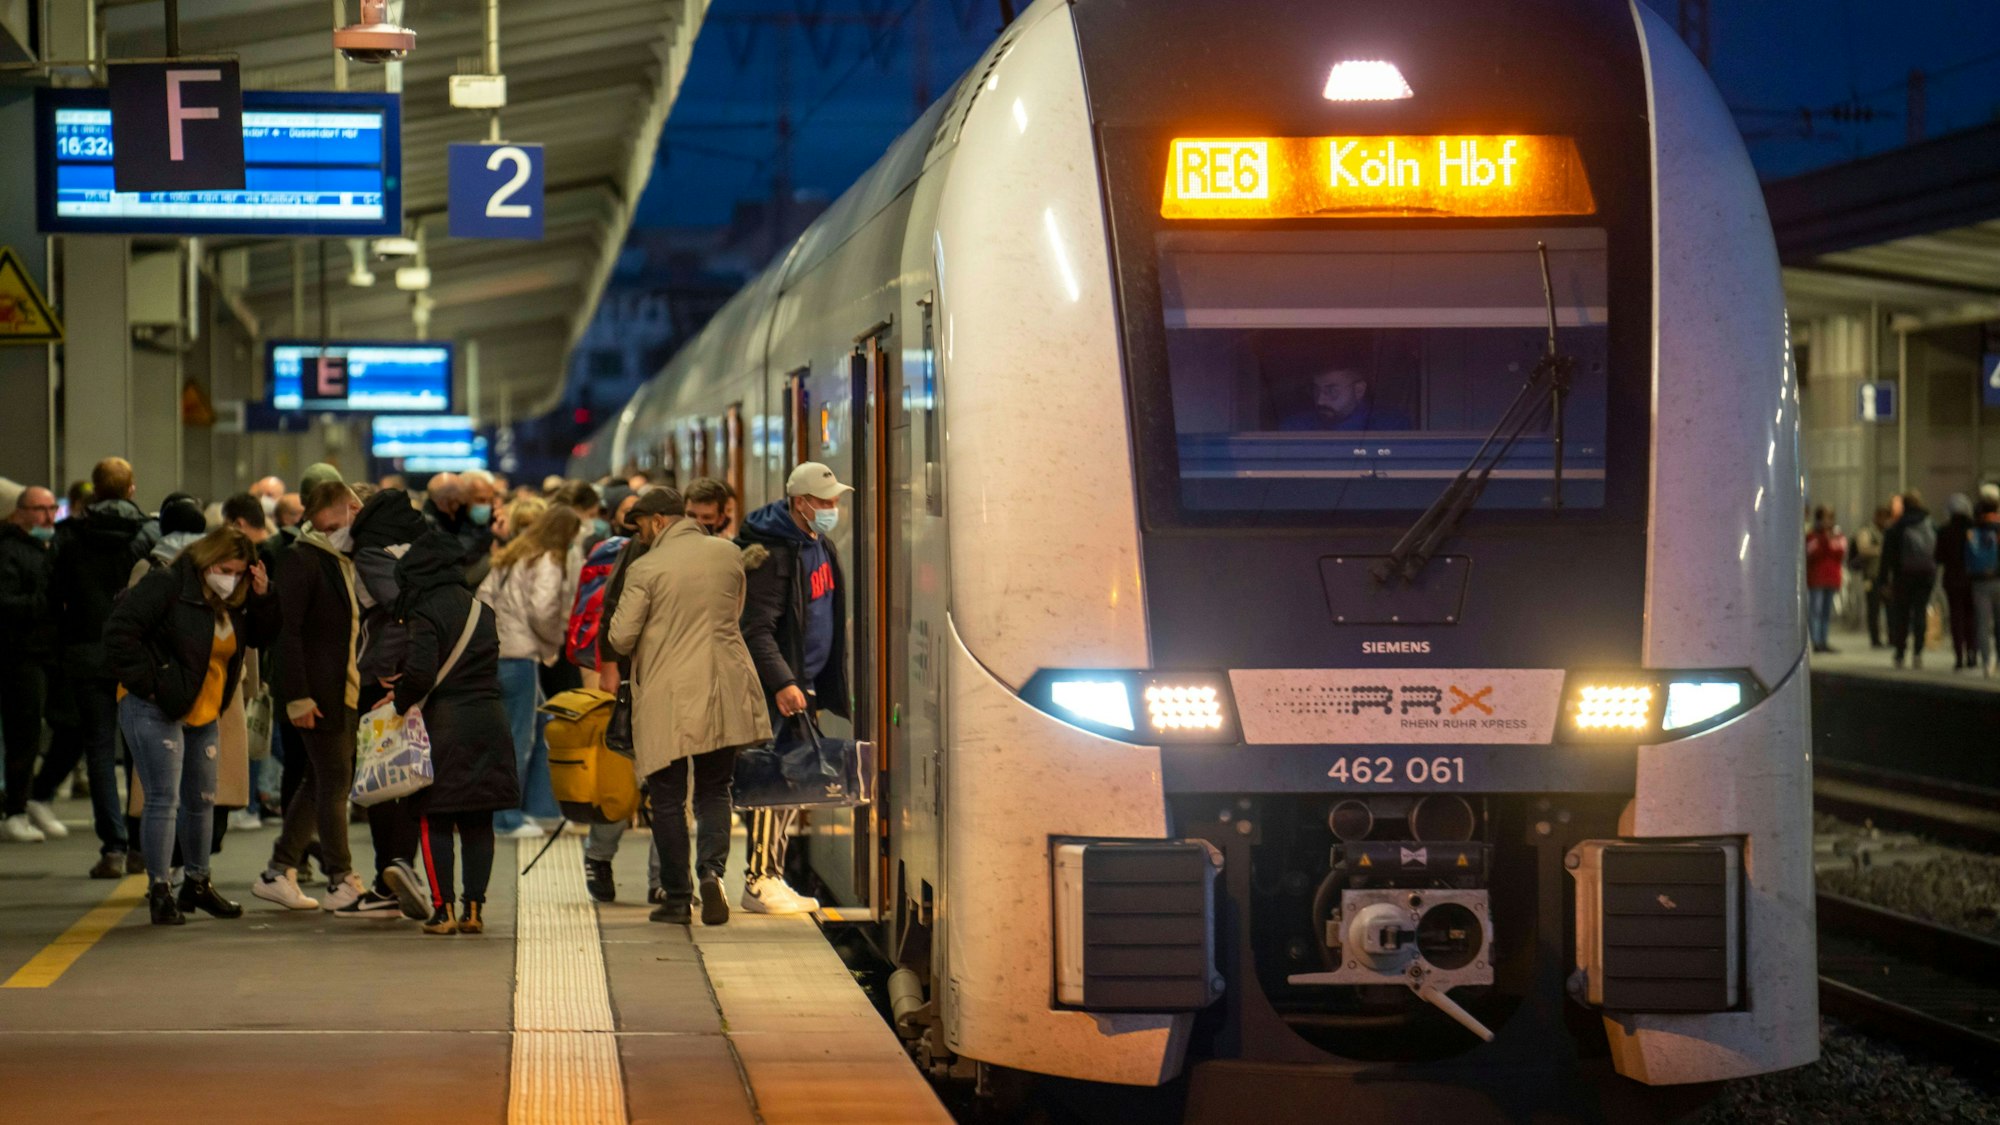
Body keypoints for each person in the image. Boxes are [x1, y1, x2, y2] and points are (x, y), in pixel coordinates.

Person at [606, 486, 771, 926]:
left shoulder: (646, 568)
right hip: (725, 685)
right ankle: (713, 875)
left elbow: (620, 637)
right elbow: (733, 615)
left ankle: (678, 897)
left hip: (669, 693)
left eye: (641, 525)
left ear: (659, 521)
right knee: (716, 789)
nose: (639, 535)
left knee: (667, 798)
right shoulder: (727, 555)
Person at [105, 527, 278, 924]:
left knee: (202, 799)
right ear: (205, 560)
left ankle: (197, 883)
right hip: (154, 706)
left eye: (238, 572)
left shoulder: (234, 598)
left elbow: (265, 636)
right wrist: (152, 685)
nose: (229, 578)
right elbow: (119, 633)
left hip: (204, 708)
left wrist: (264, 594)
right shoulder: (166, 584)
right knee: (164, 799)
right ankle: (160, 889)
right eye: (223, 568)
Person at [736, 463, 855, 915]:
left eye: (835, 501)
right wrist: (783, 682)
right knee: (777, 777)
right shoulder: (772, 554)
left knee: (790, 779)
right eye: (824, 502)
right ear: (800, 503)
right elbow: (757, 628)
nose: (832, 509)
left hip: (804, 685)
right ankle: (759, 879)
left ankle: (772, 874)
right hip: (783, 687)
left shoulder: (816, 543)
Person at [387, 531, 519, 935]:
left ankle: (443, 910)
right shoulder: (483, 610)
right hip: (489, 720)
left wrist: (398, 699)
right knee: (479, 818)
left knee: (436, 816)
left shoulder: (426, 611)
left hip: (444, 724)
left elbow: (423, 673)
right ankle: (474, 910)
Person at [255, 480, 365, 912]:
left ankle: (278, 869)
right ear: (332, 513)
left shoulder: (343, 559)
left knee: (319, 780)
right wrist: (297, 697)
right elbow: (288, 634)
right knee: (334, 781)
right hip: (320, 693)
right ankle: (342, 879)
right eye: (349, 514)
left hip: (345, 688)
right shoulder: (302, 559)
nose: (354, 522)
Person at [51, 458, 146, 876]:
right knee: (141, 751)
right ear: (130, 489)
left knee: (100, 751)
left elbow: (52, 595)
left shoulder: (70, 537)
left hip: (87, 654)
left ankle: (112, 847)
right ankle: (143, 844)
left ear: (93, 490)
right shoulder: (144, 535)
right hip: (135, 657)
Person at [346, 488, 437, 919]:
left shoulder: (371, 553)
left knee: (381, 775)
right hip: (427, 672)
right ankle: (407, 867)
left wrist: (388, 670)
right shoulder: (429, 544)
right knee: (416, 770)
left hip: (386, 679)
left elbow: (399, 610)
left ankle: (391, 874)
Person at [477, 504, 579, 839]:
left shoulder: (512, 555)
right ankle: (506, 817)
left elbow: (484, 598)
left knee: (537, 726)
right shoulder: (547, 559)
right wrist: (553, 643)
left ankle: (540, 808)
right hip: (521, 657)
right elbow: (543, 608)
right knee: (519, 739)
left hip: (500, 653)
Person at [580, 489, 660, 904]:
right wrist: (609, 669)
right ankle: (598, 855)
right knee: (622, 782)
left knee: (668, 787)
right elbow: (611, 610)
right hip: (631, 682)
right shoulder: (630, 553)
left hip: (672, 684)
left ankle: (664, 881)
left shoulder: (695, 553)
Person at [1, 486, 64, 843]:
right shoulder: (9, 550)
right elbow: (6, 603)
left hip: (44, 653)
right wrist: (46, 603)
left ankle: (34, 799)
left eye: (52, 508)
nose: (48, 516)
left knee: (52, 729)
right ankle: (15, 810)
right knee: (22, 735)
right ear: (18, 512)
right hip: (18, 655)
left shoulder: (46, 548)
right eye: (39, 509)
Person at [1880, 490, 1937, 670]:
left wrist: (1883, 580)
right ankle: (1918, 653)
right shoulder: (1930, 524)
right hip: (1925, 576)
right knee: (1920, 613)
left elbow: (1886, 556)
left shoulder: (1896, 527)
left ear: (1904, 505)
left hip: (1902, 576)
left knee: (1902, 615)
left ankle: (1900, 653)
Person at [1278, 366, 1414, 432]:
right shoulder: (1296, 427)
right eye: (1316, 390)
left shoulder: (1390, 426)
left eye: (1331, 391)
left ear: (1359, 390)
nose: (1320, 400)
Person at [423, 469, 498, 580]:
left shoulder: (488, 523)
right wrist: (489, 537)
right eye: (480, 500)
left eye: (490, 501)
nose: (487, 506)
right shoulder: (434, 523)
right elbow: (457, 556)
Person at [1936, 494, 1977, 671]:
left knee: (1956, 617)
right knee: (1971, 616)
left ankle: (1959, 655)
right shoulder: (1974, 528)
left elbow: (1938, 557)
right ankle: (1972, 653)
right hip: (1973, 578)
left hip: (1952, 579)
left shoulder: (1945, 530)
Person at [1805, 507, 1846, 654]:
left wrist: (1829, 541)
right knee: (1815, 611)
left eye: (1830, 518)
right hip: (1817, 579)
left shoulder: (1837, 535)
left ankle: (1823, 640)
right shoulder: (1812, 536)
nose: (1828, 521)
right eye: (1825, 518)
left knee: (1826, 613)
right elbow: (1812, 553)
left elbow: (1840, 552)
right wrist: (1824, 540)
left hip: (1832, 578)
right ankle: (1816, 641)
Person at [1850, 505, 1892, 647]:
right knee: (1873, 609)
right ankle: (1875, 639)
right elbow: (1863, 549)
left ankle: (1892, 638)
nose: (1885, 521)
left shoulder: (1888, 532)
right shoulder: (1867, 531)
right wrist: (1880, 550)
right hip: (1871, 576)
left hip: (1886, 576)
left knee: (1890, 607)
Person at [1969, 495, 2000, 678]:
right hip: (1998, 579)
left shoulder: (1974, 529)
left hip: (1979, 581)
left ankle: (1986, 662)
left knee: (1982, 623)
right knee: (1999, 623)